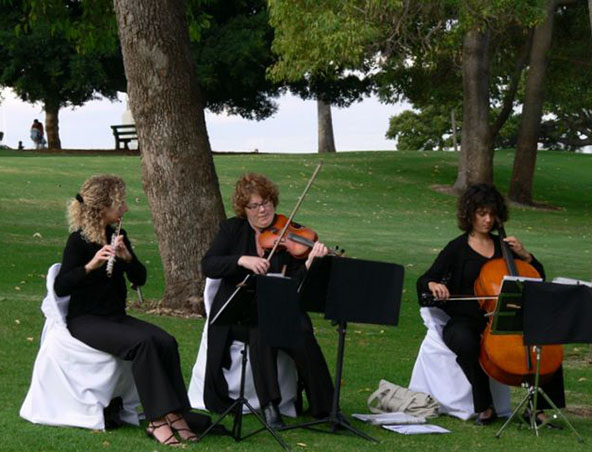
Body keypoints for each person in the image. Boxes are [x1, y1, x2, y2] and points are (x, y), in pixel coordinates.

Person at [54, 174, 196, 446]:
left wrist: (127, 259)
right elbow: (61, 286)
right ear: (103, 208)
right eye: (120, 204)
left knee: (166, 341)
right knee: (143, 343)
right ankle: (156, 420)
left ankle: (177, 413)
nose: (126, 209)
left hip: (114, 317)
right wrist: (90, 266)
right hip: (86, 320)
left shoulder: (119, 235)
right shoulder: (78, 241)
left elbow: (139, 278)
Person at [416, 183, 565, 426]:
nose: (487, 220)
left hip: (506, 317)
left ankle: (536, 409)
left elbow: (537, 278)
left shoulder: (505, 246)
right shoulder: (457, 248)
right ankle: (484, 407)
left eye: (491, 214)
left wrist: (526, 255)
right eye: (481, 213)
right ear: (469, 214)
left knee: (546, 341)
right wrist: (433, 285)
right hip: (466, 319)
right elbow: (425, 280)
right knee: (465, 341)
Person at [202, 173, 334, 429]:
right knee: (260, 328)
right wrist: (241, 260)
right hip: (239, 312)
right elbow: (208, 264)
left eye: (267, 203)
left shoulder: (291, 232)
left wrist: (308, 263)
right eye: (254, 205)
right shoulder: (231, 230)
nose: (262, 210)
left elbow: (297, 285)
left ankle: (325, 406)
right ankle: (270, 405)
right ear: (244, 209)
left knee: (303, 330)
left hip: (280, 308)